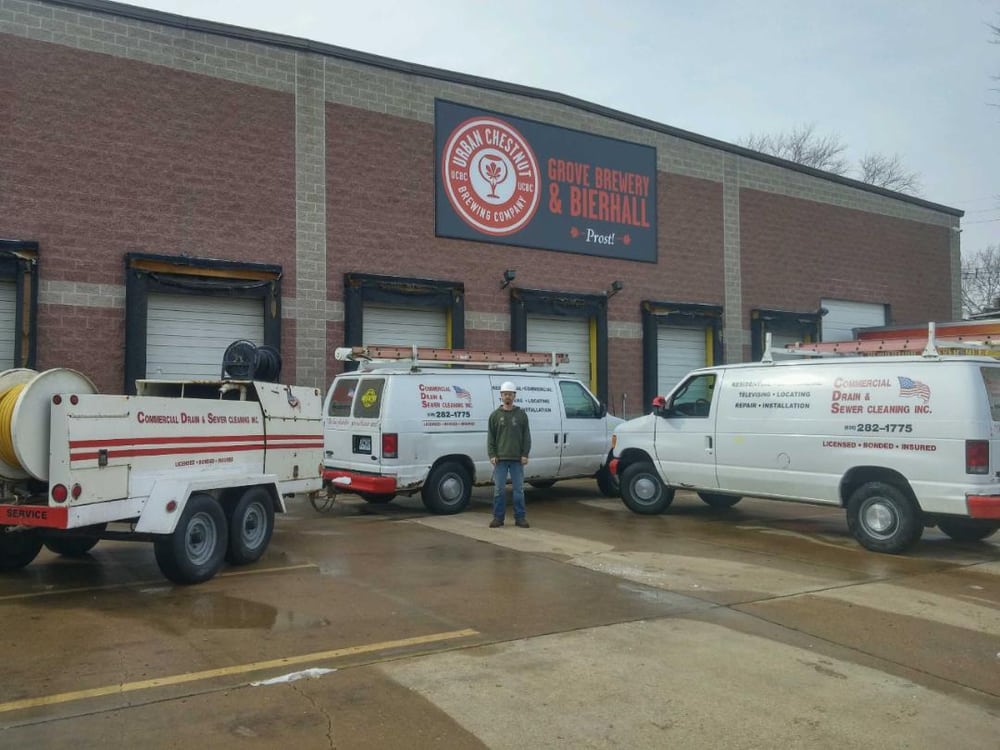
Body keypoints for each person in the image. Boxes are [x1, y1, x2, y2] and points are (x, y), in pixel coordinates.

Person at [487, 380, 531, 528]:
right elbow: (490, 438)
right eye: (505, 394)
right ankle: (498, 518)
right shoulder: (494, 416)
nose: (507, 397)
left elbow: (526, 436)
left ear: (514, 396)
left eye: (510, 394)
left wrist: (525, 454)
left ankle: (520, 518)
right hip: (500, 460)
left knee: (518, 491)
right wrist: (492, 454)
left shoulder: (521, 415)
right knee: (499, 490)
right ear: (501, 395)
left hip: (517, 460)